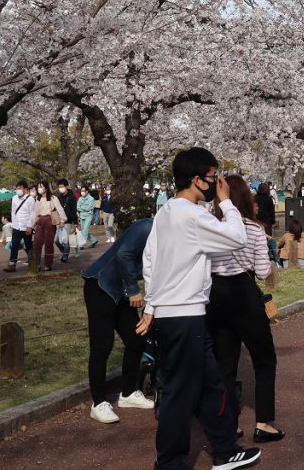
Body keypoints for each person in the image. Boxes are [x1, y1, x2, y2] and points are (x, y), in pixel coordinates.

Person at [135, 147, 261, 470]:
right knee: (180, 392)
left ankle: (224, 449)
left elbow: (150, 260)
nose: (216, 183)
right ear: (196, 180)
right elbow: (236, 238)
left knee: (209, 384)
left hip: (176, 312)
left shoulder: (165, 212)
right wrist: (227, 202)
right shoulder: (193, 214)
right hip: (185, 313)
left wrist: (152, 304)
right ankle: (170, 462)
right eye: (212, 177)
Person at [207, 175, 284, 444]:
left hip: (215, 295)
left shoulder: (212, 226)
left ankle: (229, 424)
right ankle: (263, 423)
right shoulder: (252, 228)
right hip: (243, 291)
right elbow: (262, 271)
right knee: (264, 359)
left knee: (224, 363)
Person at [83, 218, 156, 423]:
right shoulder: (147, 227)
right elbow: (124, 254)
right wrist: (134, 291)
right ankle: (98, 403)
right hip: (101, 285)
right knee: (102, 345)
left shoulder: (173, 236)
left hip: (122, 290)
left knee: (136, 339)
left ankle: (128, 392)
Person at [30, 181, 67, 272]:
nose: (39, 189)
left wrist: (62, 220)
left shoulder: (53, 198)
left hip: (50, 221)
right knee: (37, 243)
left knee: (49, 244)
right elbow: (35, 212)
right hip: (40, 221)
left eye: (41, 187)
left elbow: (60, 209)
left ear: (46, 188)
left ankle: (48, 264)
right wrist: (31, 225)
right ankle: (36, 264)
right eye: (38, 187)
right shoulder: (38, 198)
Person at [4, 180, 35, 272]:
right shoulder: (14, 198)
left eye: (20, 188)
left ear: (25, 189)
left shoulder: (30, 199)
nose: (18, 190)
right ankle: (12, 264)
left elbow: (32, 214)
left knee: (28, 246)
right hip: (17, 226)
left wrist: (30, 226)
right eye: (17, 188)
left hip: (26, 227)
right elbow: (13, 212)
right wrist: (14, 225)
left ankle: (33, 263)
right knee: (14, 245)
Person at [55, 179, 79, 262]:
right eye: (59, 187)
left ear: (66, 186)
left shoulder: (72, 197)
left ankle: (65, 257)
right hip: (59, 221)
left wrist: (75, 222)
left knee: (65, 241)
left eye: (62, 187)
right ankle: (65, 252)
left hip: (68, 221)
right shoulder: (58, 197)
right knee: (56, 240)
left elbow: (74, 210)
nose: (60, 188)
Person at [77, 185, 99, 249]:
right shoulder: (80, 198)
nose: (82, 192)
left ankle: (82, 245)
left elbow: (90, 208)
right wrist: (85, 209)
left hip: (89, 216)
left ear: (87, 191)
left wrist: (82, 208)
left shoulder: (91, 199)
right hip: (82, 216)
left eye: (83, 191)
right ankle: (94, 240)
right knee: (84, 230)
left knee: (85, 230)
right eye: (81, 191)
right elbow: (78, 207)